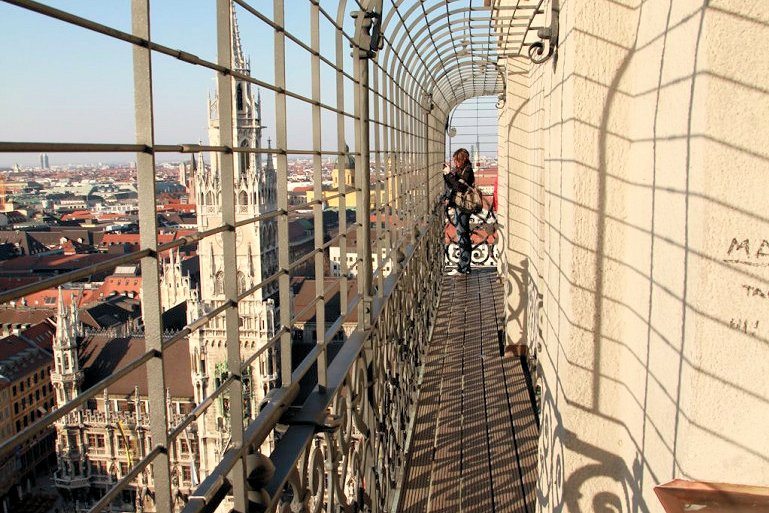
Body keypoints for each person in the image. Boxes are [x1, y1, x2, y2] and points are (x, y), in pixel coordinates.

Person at [442, 148, 475, 274]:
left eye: (457, 160)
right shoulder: (462, 170)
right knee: (462, 235)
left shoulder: (468, 171)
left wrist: (449, 174)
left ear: (463, 159)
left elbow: (459, 187)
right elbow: (453, 185)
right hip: (459, 206)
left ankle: (463, 267)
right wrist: (447, 175)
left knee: (463, 236)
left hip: (464, 208)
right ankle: (464, 266)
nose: (456, 163)